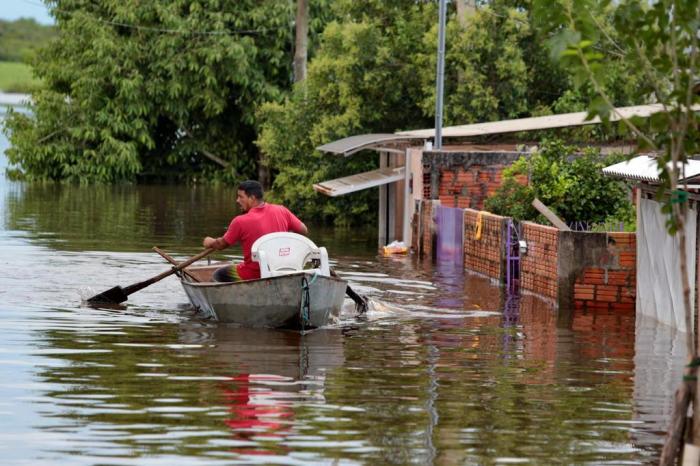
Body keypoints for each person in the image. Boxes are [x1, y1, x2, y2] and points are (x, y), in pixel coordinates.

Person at [203, 180, 308, 282]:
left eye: (240, 197)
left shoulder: (239, 221)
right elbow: (303, 230)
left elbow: (221, 244)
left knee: (218, 274)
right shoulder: (282, 210)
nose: (237, 200)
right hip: (280, 270)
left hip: (254, 275)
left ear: (252, 198)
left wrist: (209, 242)